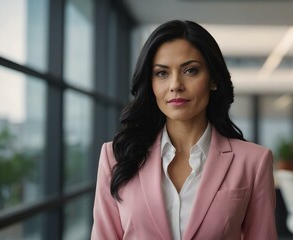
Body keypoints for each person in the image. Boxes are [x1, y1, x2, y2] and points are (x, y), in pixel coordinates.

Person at [91, 20, 277, 240]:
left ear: (213, 80)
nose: (175, 85)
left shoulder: (253, 162)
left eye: (190, 70)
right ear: (150, 84)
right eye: (161, 73)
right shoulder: (116, 157)